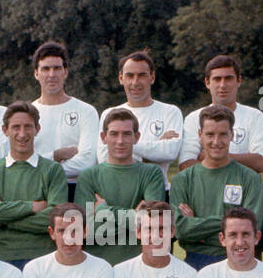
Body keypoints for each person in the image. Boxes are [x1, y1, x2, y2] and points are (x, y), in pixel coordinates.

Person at [169, 104, 263, 270]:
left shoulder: (250, 178)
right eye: (210, 134)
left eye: (222, 134)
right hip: (195, 262)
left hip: (235, 261)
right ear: (200, 135)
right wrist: (232, 225)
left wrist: (197, 228)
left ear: (232, 135)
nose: (216, 141)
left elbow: (251, 228)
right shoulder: (182, 180)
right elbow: (181, 231)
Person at [0, 101, 67, 267]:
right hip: (0, 258)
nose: (22, 134)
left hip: (43, 257)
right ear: (5, 130)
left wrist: (4, 217)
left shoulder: (53, 170)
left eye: (28, 127)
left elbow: (56, 219)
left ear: (37, 129)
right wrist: (31, 206)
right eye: (16, 127)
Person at [75, 109, 166, 266]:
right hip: (97, 264)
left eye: (127, 134)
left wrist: (104, 210)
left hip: (139, 265)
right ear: (104, 137)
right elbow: (88, 230)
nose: (120, 140)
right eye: (114, 134)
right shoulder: (88, 176)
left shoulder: (151, 173)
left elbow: (151, 225)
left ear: (136, 137)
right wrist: (134, 218)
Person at [98, 50, 183, 186]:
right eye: (130, 76)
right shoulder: (109, 114)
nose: (135, 82)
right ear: (121, 78)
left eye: (142, 75)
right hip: (120, 192)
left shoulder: (171, 112)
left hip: (159, 194)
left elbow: (170, 152)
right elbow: (104, 158)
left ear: (152, 77)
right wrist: (155, 152)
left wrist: (122, 148)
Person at [179, 54, 263, 173]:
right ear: (207, 83)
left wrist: (209, 156)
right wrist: (241, 159)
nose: (222, 85)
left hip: (243, 189)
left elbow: (261, 163)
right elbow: (186, 165)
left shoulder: (255, 117)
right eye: (217, 79)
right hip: (206, 189)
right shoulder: (193, 119)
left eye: (228, 78)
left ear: (238, 81)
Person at [30, 41, 100, 194]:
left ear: (65, 72)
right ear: (36, 73)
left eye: (57, 68)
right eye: (45, 69)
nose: (52, 75)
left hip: (77, 190)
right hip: (37, 190)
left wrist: (40, 167)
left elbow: (87, 161)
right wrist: (55, 155)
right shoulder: (27, 114)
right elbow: (22, 161)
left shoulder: (86, 111)